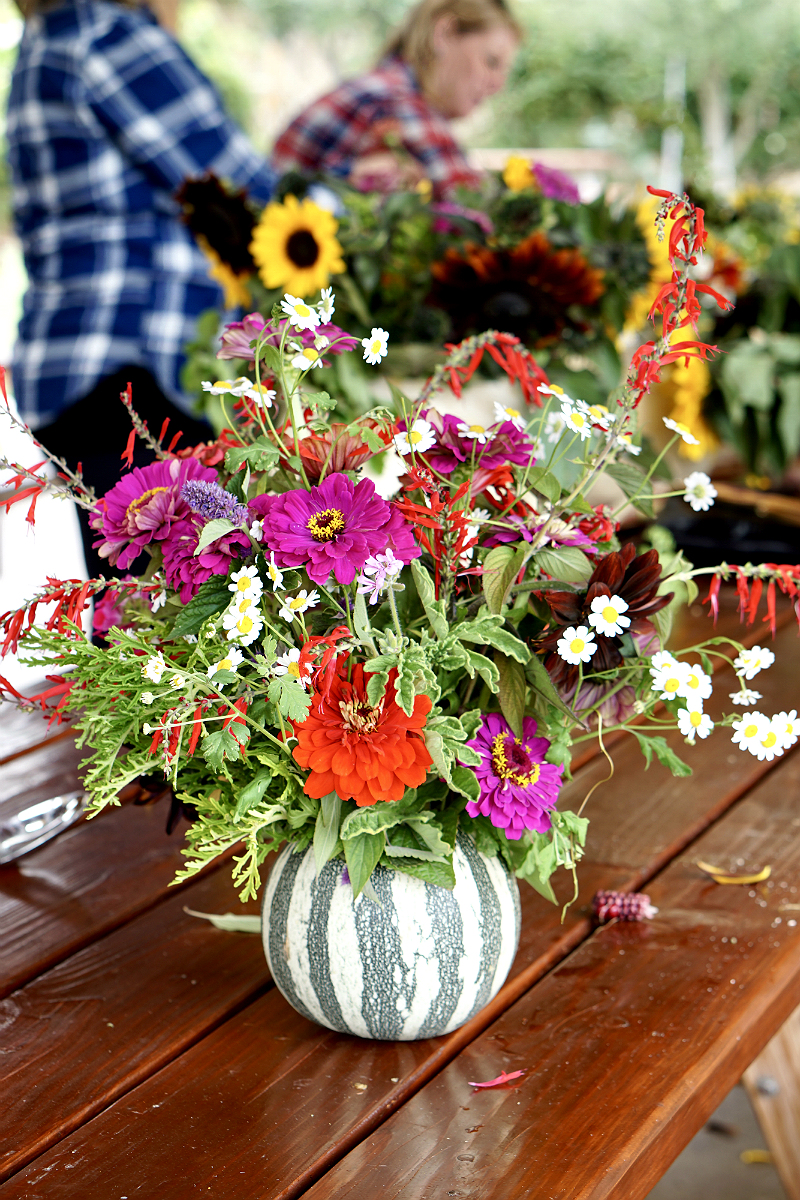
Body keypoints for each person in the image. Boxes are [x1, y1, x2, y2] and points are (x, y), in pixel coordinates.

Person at [6, 0, 275, 575]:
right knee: (184, 621)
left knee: (136, 618)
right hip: (136, 370)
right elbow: (236, 189)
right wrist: (349, 213)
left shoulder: (43, 44)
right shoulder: (109, 36)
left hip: (74, 369)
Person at [270, 0, 520, 199]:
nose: (498, 85)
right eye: (491, 62)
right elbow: (470, 205)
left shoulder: (386, 89)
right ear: (444, 34)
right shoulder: (392, 99)